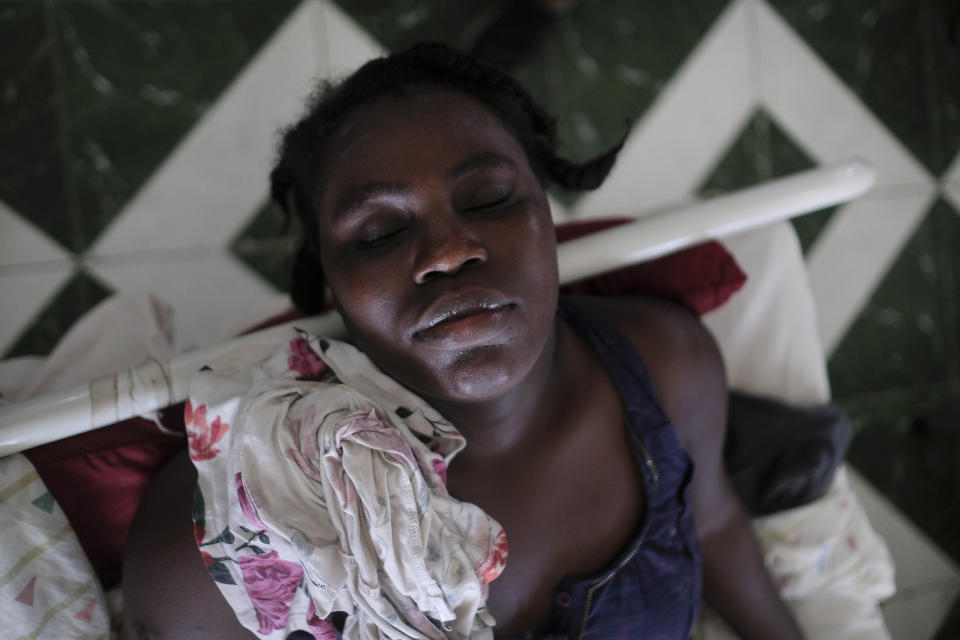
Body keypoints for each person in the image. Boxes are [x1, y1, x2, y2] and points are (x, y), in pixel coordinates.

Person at [121, 42, 805, 639]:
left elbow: (711, 527)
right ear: (331, 283)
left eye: (487, 198)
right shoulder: (219, 544)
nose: (447, 252)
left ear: (545, 213)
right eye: (380, 232)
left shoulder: (669, 369)